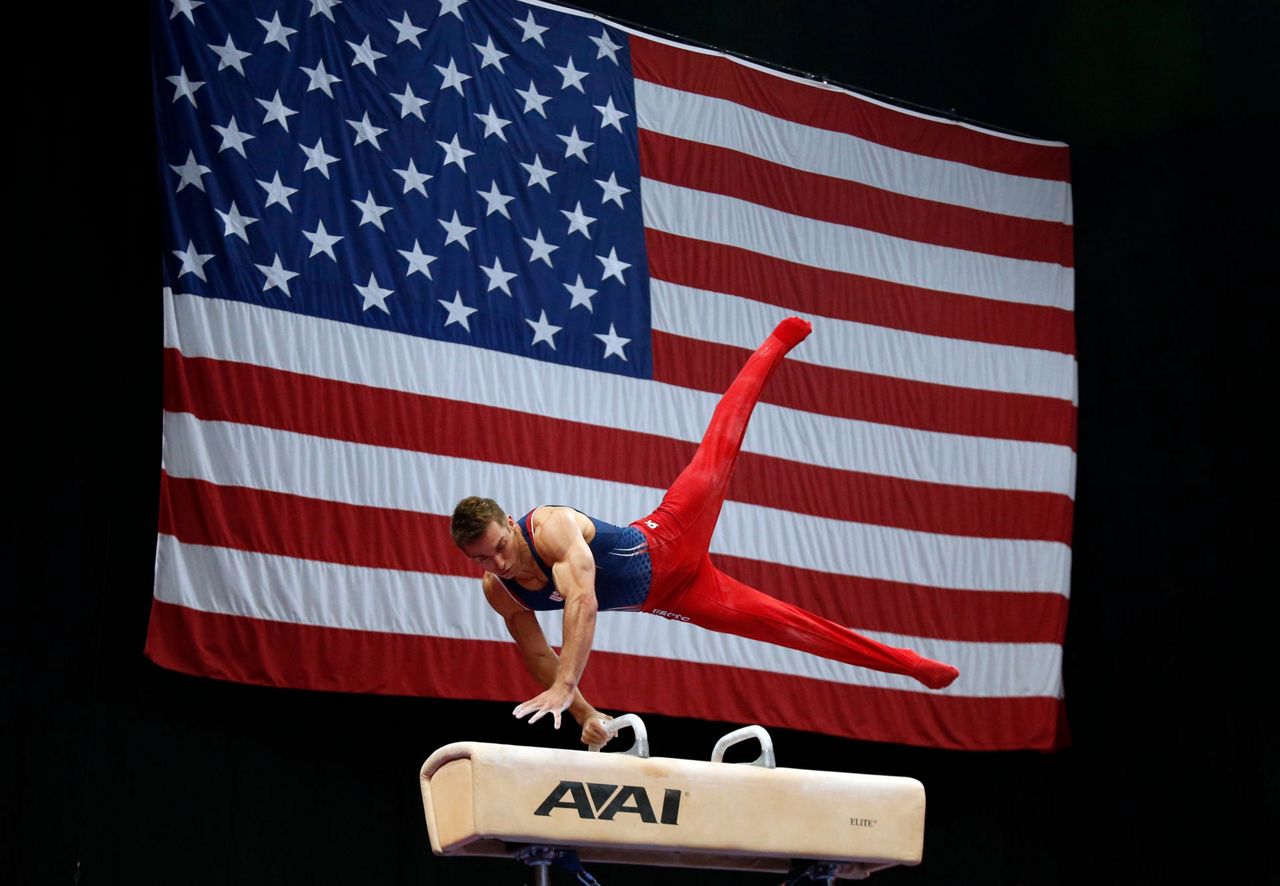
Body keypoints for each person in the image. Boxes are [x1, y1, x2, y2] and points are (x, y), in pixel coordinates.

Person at [450, 317, 959, 747]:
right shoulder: (500, 590)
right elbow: (538, 653)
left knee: (721, 441)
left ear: (510, 525)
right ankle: (910, 665)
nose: (497, 564)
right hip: (680, 595)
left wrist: (566, 684)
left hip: (670, 538)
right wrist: (586, 714)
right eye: (482, 560)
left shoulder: (551, 528)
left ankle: (776, 343)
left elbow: (583, 602)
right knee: (790, 625)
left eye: (499, 548)